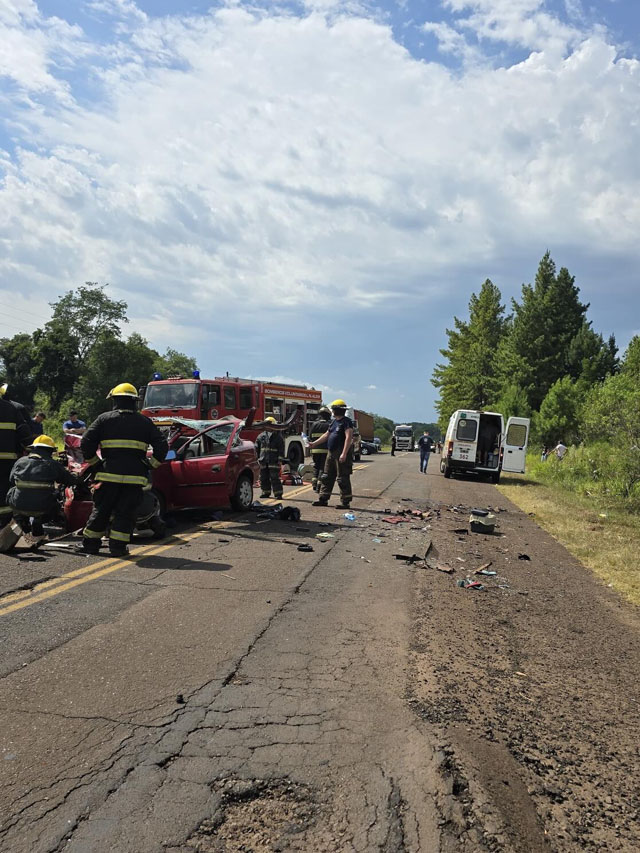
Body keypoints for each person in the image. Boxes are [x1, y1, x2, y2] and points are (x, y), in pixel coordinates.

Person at [81, 383, 167, 557]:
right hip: (134, 479)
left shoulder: (104, 419)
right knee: (125, 514)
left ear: (115, 400)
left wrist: (96, 463)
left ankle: (91, 545)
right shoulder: (144, 422)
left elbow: (85, 442)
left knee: (101, 511)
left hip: (108, 476)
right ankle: (118, 548)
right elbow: (162, 445)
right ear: (134, 401)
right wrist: (151, 464)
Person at [7, 435, 79, 537]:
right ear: (50, 450)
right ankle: (39, 520)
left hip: (18, 506)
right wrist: (76, 475)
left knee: (14, 490)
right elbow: (70, 480)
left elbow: (11, 480)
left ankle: (22, 520)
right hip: (43, 509)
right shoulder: (52, 464)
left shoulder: (20, 461)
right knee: (57, 497)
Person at [309, 399, 353, 509]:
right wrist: (314, 444)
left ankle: (345, 502)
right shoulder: (333, 422)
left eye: (333, 409)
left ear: (338, 410)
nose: (332, 411)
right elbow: (326, 435)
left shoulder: (346, 422)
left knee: (342, 478)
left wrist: (344, 453)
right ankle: (323, 499)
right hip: (331, 452)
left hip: (340, 452)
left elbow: (348, 437)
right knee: (326, 476)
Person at [0, 384, 32, 529]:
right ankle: (4, 524)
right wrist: (30, 450)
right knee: (3, 490)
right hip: (6, 461)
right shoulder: (11, 408)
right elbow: (24, 434)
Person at [255, 417, 286, 499]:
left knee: (274, 477)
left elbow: (281, 449)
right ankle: (266, 492)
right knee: (263, 477)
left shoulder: (278, 437)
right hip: (263, 460)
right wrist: (257, 458)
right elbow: (257, 448)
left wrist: (280, 460)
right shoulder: (261, 436)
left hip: (274, 461)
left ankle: (278, 493)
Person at [308, 406, 332, 491]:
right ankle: (319, 485)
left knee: (316, 466)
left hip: (315, 450)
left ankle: (314, 484)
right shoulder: (329, 425)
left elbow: (310, 436)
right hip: (325, 450)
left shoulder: (314, 424)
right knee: (323, 467)